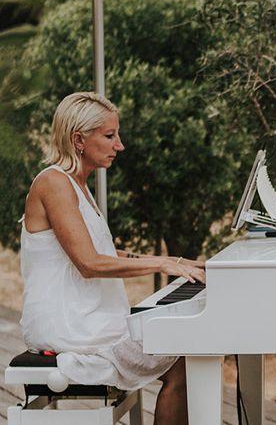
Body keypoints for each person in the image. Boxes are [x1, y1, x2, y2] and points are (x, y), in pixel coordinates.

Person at [20, 91, 205, 425]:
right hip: (69, 328)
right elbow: (90, 263)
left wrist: (174, 260)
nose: (119, 145)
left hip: (91, 322)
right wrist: (162, 264)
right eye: (109, 135)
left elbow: (105, 252)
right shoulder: (53, 183)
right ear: (79, 139)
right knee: (182, 357)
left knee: (184, 352)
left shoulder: (78, 185)